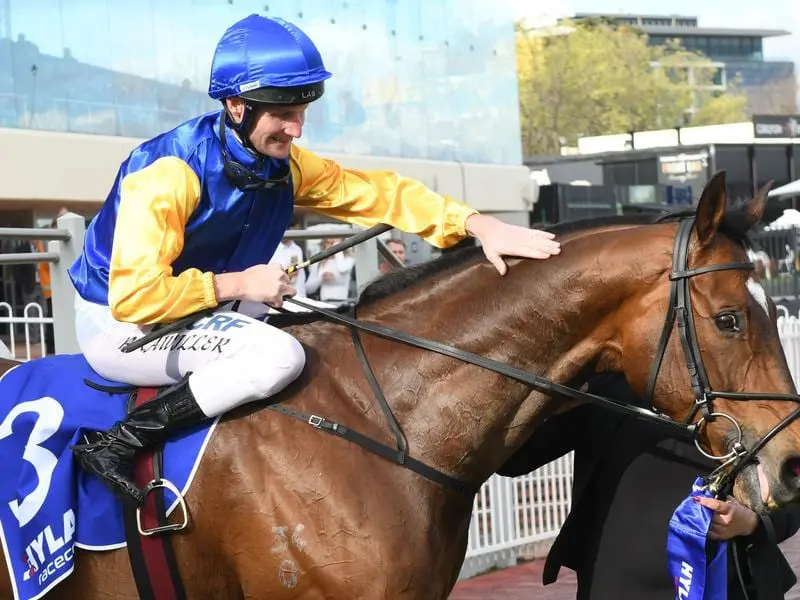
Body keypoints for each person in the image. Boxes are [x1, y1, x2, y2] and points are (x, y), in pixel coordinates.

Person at [66, 13, 561, 505]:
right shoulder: (169, 173)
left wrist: (481, 225)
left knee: (330, 333)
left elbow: (378, 193)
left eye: (303, 111)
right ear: (237, 107)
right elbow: (134, 297)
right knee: (277, 356)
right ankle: (116, 442)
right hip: (120, 322)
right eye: (284, 113)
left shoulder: (285, 164)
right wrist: (239, 285)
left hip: (197, 310)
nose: (297, 129)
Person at [498, 372, 800, 599]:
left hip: (728, 589)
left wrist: (752, 523)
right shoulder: (606, 385)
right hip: (611, 590)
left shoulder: (741, 386)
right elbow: (512, 461)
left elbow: (793, 492)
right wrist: (543, 402)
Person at [305, 238, 355, 305]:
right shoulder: (318, 263)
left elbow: (342, 269)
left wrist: (338, 248)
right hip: (324, 302)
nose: (331, 246)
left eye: (334, 243)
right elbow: (309, 289)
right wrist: (321, 278)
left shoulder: (349, 260)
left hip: (342, 302)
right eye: (328, 242)